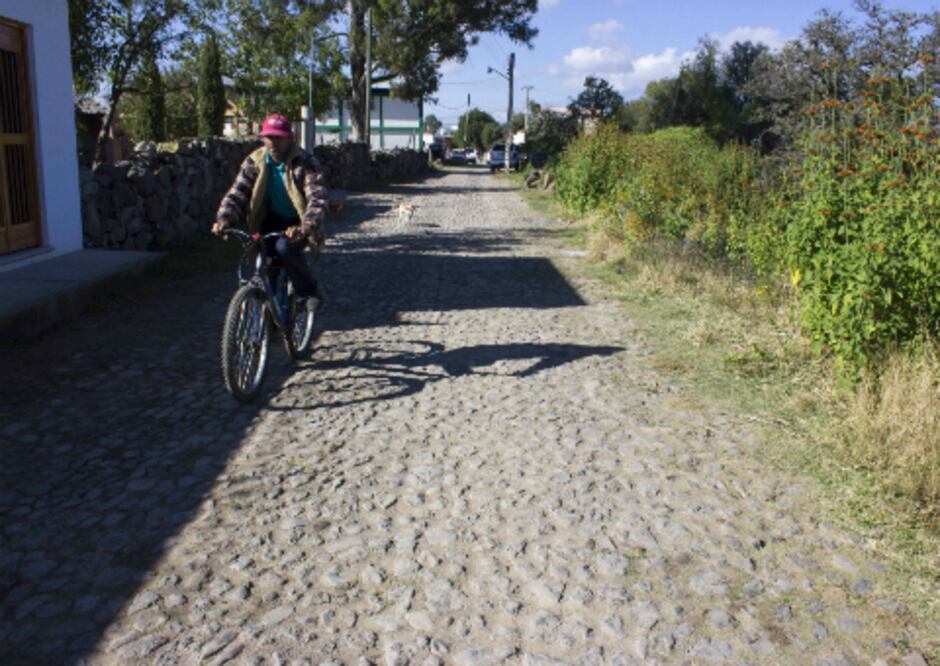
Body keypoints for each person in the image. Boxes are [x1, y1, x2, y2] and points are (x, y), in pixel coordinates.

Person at [212, 113, 327, 308]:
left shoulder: (305, 162)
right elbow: (237, 194)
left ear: (290, 138)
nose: (273, 143)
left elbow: (317, 199)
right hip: (269, 219)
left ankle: (309, 290)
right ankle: (270, 312)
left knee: (284, 248)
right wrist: (224, 219)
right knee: (264, 257)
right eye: (268, 137)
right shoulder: (255, 161)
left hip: (298, 221)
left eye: (278, 138)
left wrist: (305, 226)